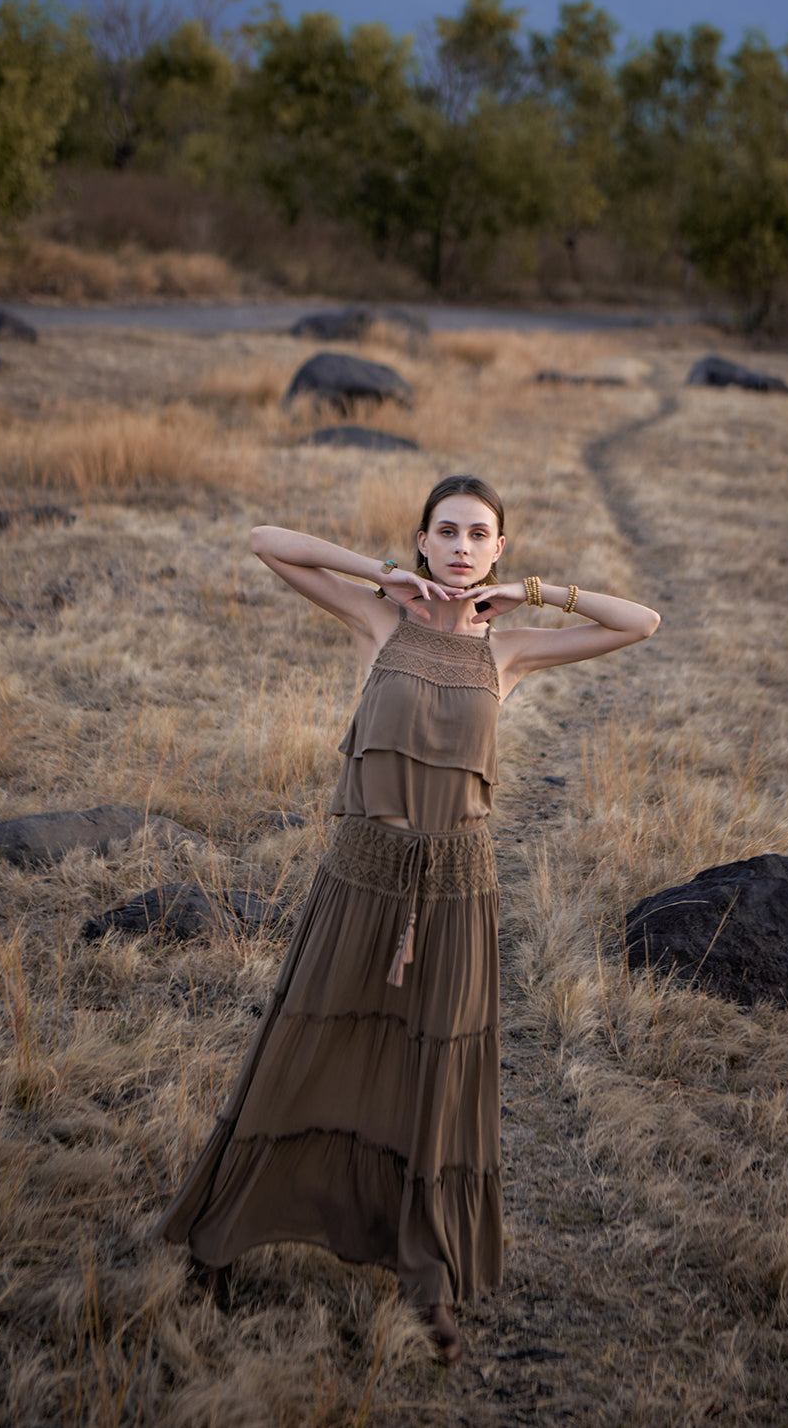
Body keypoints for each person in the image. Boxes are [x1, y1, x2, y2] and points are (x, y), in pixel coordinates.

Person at [156, 473, 660, 1363]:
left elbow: (641, 624)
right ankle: (219, 1241)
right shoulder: (379, 623)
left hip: (459, 886)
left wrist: (538, 594)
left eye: (479, 535)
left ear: (500, 550)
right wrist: (382, 574)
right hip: (364, 873)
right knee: (301, 1048)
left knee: (437, 1079)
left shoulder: (509, 651)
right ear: (424, 542)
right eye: (446, 532)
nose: (462, 548)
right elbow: (268, 540)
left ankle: (426, 1279)